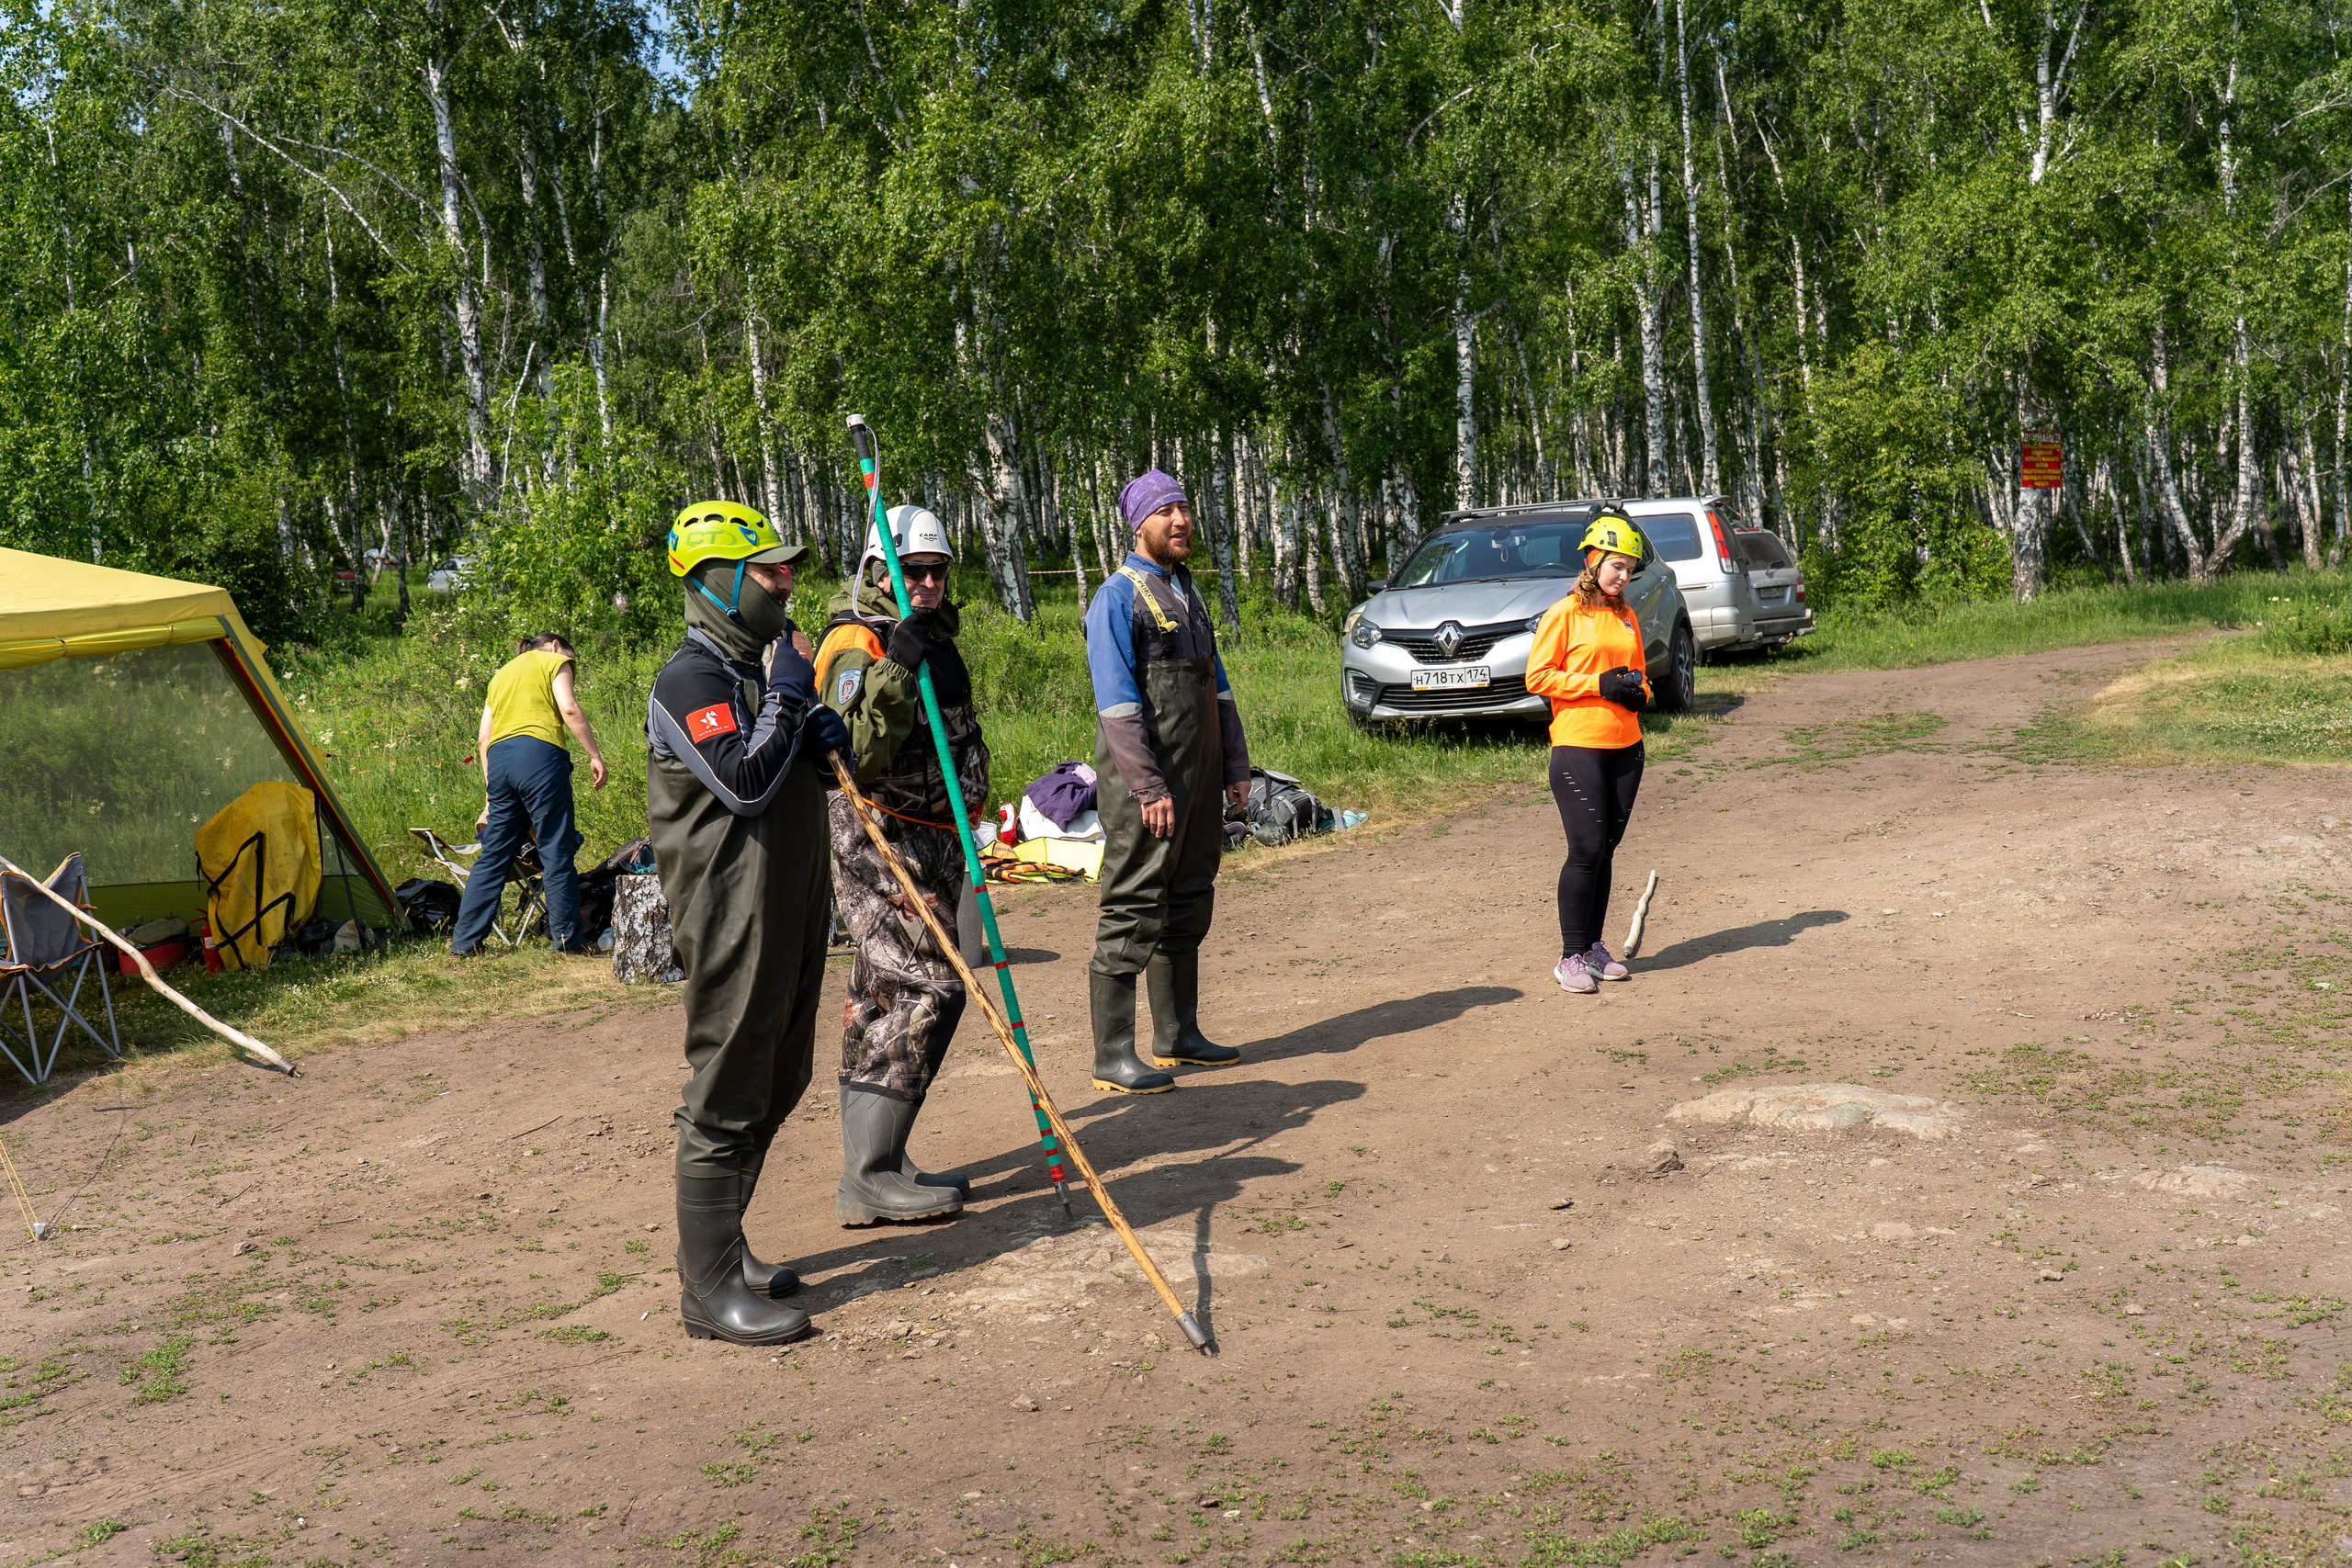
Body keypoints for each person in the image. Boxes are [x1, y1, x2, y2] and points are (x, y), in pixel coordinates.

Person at [646, 499, 854, 1346]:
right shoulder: (687, 681)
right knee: (728, 1086)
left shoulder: (755, 674)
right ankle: (708, 1292)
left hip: (792, 904)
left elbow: (786, 772)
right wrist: (789, 701)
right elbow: (742, 781)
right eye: (768, 569)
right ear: (718, 584)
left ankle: (725, 1250)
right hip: (731, 912)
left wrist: (815, 730)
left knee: (781, 1073)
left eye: (785, 565)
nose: (786, 579)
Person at [813, 505, 988, 1224]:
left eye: (936, 571)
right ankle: (867, 1175)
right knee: (922, 988)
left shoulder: (935, 635)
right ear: (878, 572)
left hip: (939, 846)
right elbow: (852, 754)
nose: (927, 584)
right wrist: (897, 665)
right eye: (912, 571)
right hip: (883, 846)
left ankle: (886, 1152)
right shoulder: (857, 640)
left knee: (899, 996)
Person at [1081, 468, 1251, 1094]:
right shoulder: (1117, 597)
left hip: (1200, 777)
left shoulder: (1188, 591)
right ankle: (1113, 1053)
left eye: (1184, 506)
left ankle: (1178, 1034)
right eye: (1166, 512)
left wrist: (1235, 768)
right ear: (1139, 524)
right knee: (1132, 904)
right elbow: (1118, 706)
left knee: (1190, 897)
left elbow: (1220, 691)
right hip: (1144, 786)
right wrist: (1150, 788)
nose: (1180, 520)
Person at [1526, 511, 1651, 997]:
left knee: (1607, 850)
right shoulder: (1563, 614)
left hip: (1627, 745)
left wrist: (1638, 692)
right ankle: (1569, 956)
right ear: (1592, 560)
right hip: (1579, 744)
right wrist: (1595, 684)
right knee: (1585, 851)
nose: (1623, 576)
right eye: (1616, 566)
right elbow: (1538, 677)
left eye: (1630, 568)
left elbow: (1637, 672)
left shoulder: (1625, 614)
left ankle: (1595, 947)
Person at [450, 631, 607, 956]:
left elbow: (483, 739)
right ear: (554, 646)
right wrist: (594, 755)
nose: (571, 664)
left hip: (501, 761)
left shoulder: (501, 675)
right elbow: (569, 709)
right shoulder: (554, 660)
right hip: (539, 756)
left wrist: (493, 788)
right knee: (555, 848)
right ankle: (567, 942)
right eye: (570, 657)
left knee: (494, 853)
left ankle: (464, 945)